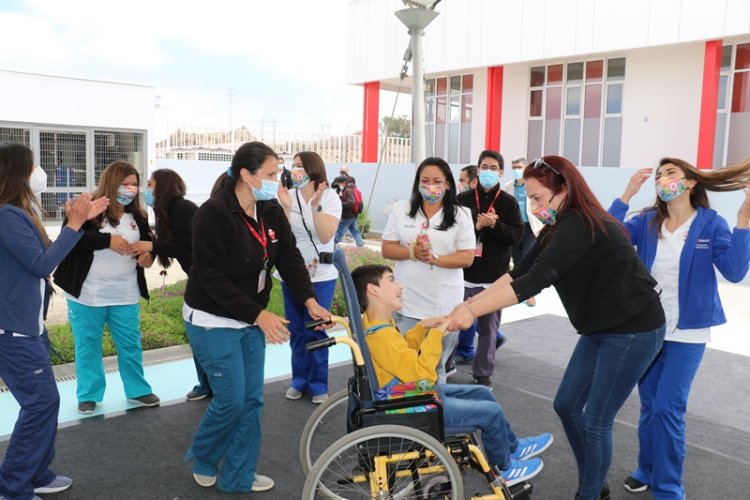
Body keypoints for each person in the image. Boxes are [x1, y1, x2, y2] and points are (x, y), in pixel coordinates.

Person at [446, 155, 667, 500]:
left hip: (633, 329)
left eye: (537, 198)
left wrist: (472, 313)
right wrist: (468, 305)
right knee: (566, 404)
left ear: (562, 190)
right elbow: (518, 271)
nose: (533, 206)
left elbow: (536, 281)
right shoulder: (558, 227)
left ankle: (591, 492)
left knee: (596, 419)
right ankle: (594, 480)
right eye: (529, 199)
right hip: (599, 328)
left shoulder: (580, 223)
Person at [182, 141, 331, 494]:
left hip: (251, 316)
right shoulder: (212, 214)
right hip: (212, 319)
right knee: (231, 401)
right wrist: (260, 315)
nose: (276, 179)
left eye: (278, 171)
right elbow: (212, 279)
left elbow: (290, 258)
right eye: (268, 173)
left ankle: (239, 475)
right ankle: (204, 454)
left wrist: (309, 298)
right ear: (246, 175)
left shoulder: (270, 210)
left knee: (252, 401)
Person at [608, 158, 750, 499]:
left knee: (668, 406)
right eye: (659, 175)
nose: (662, 179)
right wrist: (626, 193)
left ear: (690, 183)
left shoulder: (710, 223)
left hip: (688, 333)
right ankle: (647, 469)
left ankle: (669, 487)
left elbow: (733, 271)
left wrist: (743, 220)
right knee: (649, 404)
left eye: (670, 173)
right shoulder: (645, 221)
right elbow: (607, 237)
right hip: (648, 328)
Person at [350, 264, 553, 487]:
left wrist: (422, 327)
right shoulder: (382, 337)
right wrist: (435, 335)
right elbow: (423, 376)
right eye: (392, 280)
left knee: (481, 391)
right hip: (411, 407)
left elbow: (401, 353)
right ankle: (504, 469)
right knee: (490, 412)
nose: (400, 286)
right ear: (374, 290)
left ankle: (513, 447)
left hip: (400, 393)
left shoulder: (374, 324)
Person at [0, 142, 108, 500]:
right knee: (41, 404)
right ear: (17, 173)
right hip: (13, 332)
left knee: (45, 403)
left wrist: (74, 222)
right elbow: (43, 265)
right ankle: (14, 486)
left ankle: (35, 474)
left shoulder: (17, 210)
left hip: (26, 328)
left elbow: (44, 254)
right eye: (33, 167)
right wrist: (74, 225)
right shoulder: (7, 214)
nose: (39, 173)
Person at [53, 160, 160, 415]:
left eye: (135, 185)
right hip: (88, 294)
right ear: (112, 183)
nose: (131, 189)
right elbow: (71, 239)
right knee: (87, 346)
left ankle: (137, 390)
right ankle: (88, 394)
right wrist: (107, 240)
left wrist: (147, 257)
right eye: (126, 184)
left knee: (130, 344)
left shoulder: (139, 216)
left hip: (125, 292)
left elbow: (148, 245)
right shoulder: (89, 209)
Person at [381, 157, 476, 384]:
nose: (431, 187)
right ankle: (405, 415)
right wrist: (413, 253)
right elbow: (387, 248)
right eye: (425, 181)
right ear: (417, 183)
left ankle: (437, 415)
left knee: (434, 369)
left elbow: (467, 257)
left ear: (448, 184)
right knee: (402, 366)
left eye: (437, 181)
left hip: (443, 307)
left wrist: (434, 258)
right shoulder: (402, 210)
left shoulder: (461, 215)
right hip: (406, 304)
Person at [128, 168, 209, 402]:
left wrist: (152, 247)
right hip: (198, 278)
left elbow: (187, 247)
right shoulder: (167, 211)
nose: (146, 190)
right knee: (198, 333)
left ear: (162, 186)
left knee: (201, 332)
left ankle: (210, 384)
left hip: (206, 280)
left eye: (150, 185)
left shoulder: (183, 209)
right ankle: (207, 383)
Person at [450, 151, 523, 388]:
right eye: (484, 167)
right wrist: (476, 225)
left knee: (488, 330)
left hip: (493, 278)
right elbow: (451, 232)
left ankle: (482, 373)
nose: (488, 172)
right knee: (454, 323)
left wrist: (495, 225)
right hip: (463, 275)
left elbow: (515, 236)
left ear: (501, 172)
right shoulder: (463, 200)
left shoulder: (508, 202)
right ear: (477, 170)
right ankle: (445, 365)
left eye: (493, 168)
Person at [276, 151, 342, 404]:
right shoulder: (287, 196)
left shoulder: (330, 197)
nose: (295, 171)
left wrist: (314, 207)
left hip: (321, 276)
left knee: (316, 330)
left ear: (314, 170)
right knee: (296, 331)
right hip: (291, 274)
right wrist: (285, 207)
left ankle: (318, 384)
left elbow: (326, 237)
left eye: (300, 166)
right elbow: (282, 235)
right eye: (293, 166)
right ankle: (299, 380)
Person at [503, 156, 543, 307]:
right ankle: (519, 293)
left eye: (519, 167)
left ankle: (530, 294)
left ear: (526, 168)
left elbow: (540, 206)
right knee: (518, 261)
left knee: (529, 261)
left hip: (530, 229)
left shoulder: (534, 185)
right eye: (514, 168)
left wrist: (541, 227)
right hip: (514, 229)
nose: (516, 170)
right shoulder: (508, 186)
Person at [333, 176, 365, 247]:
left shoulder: (348, 190)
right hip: (353, 215)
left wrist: (340, 203)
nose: (339, 185)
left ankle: (332, 244)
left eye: (339, 184)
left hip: (347, 216)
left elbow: (351, 202)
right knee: (354, 230)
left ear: (344, 183)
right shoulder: (348, 189)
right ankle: (360, 244)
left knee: (340, 231)